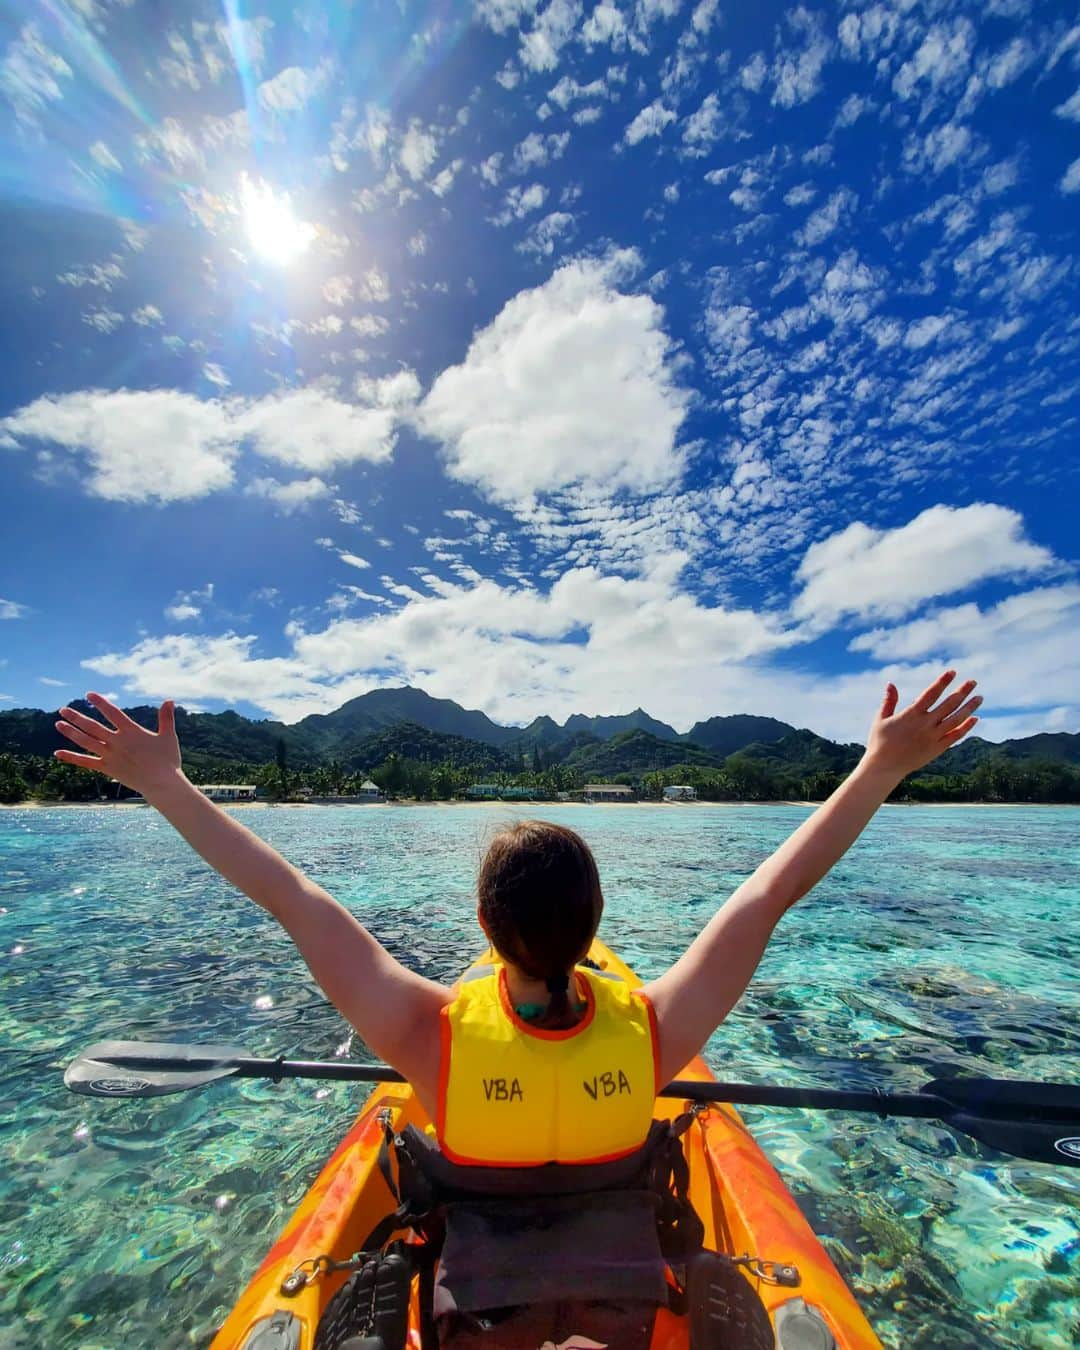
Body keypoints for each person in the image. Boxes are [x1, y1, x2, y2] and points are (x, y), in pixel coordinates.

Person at [53, 670, 981, 1150]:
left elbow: (290, 897)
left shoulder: (430, 1037)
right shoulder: (653, 1032)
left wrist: (166, 785)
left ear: (486, 929)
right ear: (595, 925)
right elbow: (768, 893)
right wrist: (879, 769)